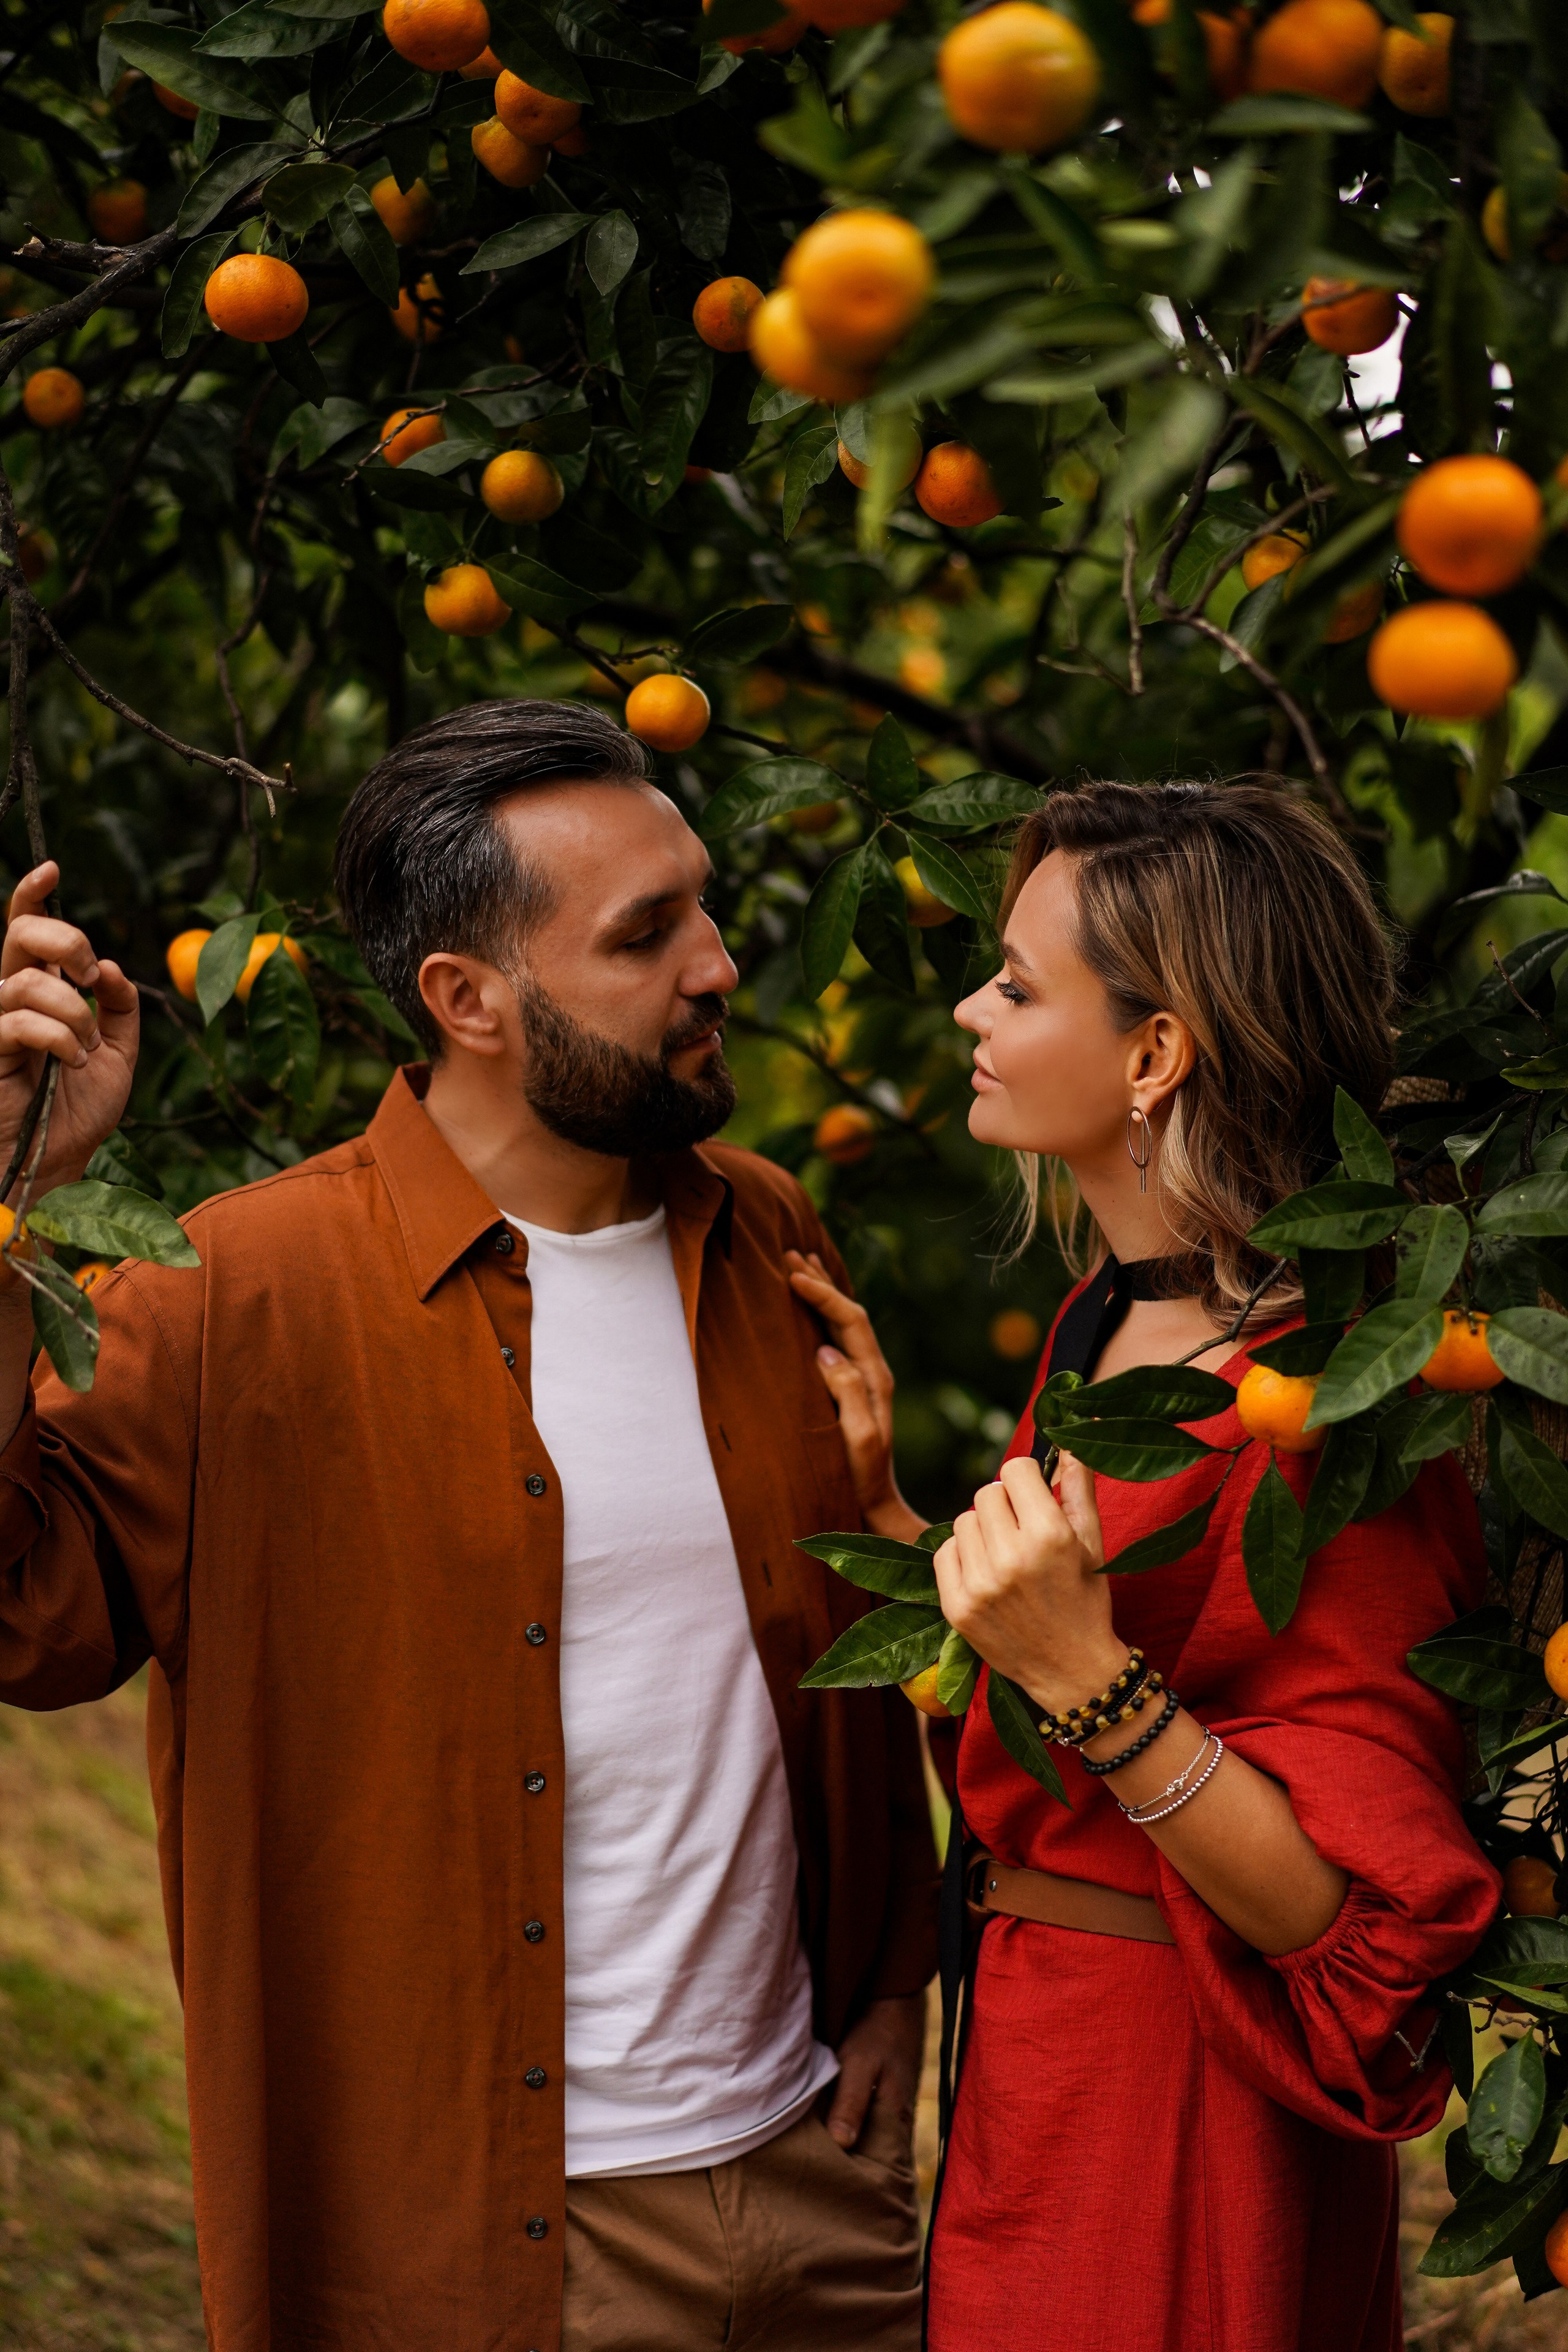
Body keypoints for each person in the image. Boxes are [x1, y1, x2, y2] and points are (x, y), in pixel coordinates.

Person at [0, 700, 937, 2352]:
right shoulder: (234, 1295)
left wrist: (891, 1982)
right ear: (466, 999)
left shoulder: (765, 1232)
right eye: (648, 935)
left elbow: (831, 1661)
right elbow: (24, 1617)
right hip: (481, 2248)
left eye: (701, 904)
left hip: (818, 2193)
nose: (717, 965)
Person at [793, 780, 1499, 2352]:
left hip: (1183, 2097)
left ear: (1154, 1053)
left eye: (1020, 985)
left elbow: (1363, 1932)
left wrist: (1080, 1677)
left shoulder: (1324, 1400)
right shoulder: (1118, 1324)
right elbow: (1056, 1722)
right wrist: (910, 1537)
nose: (973, 1006)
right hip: (1042, 2057)